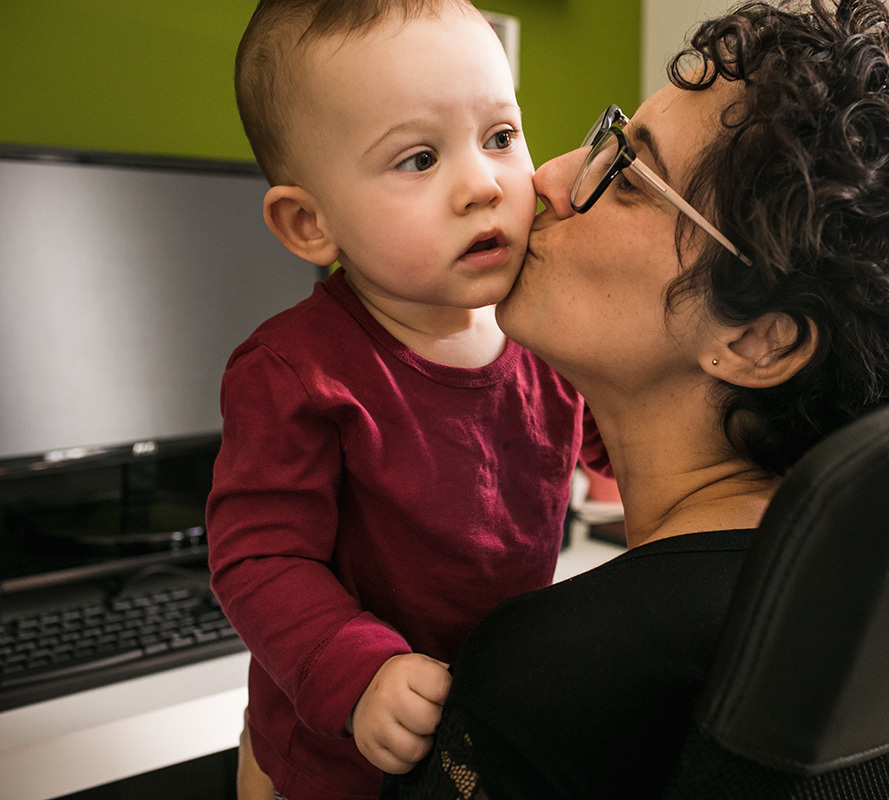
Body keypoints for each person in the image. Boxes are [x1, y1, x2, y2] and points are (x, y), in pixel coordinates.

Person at [382, 0, 889, 797]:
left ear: (759, 341)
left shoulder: (560, 668)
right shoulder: (872, 594)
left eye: (625, 175)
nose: (549, 178)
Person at [205, 2, 603, 799]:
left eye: (500, 137)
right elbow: (259, 557)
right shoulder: (296, 370)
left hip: (477, 730)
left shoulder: (543, 325)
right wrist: (359, 673)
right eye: (419, 159)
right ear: (310, 224)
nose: (483, 186)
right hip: (332, 758)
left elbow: (620, 439)